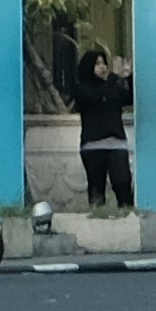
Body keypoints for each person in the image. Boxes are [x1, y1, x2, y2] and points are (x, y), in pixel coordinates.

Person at [56, 25, 135, 209]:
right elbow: (95, 98)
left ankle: (127, 212)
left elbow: (128, 99)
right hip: (93, 144)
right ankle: (97, 216)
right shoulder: (82, 88)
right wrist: (114, 78)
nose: (102, 67)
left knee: (122, 182)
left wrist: (127, 78)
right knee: (96, 187)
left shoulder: (112, 85)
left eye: (104, 63)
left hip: (116, 142)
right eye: (98, 63)